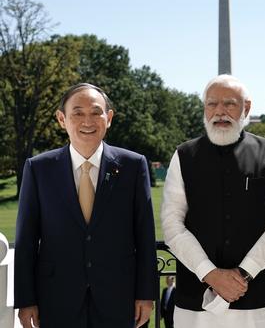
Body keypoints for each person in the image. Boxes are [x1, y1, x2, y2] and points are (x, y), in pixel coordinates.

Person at [14, 83, 158, 328]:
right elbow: (26, 238)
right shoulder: (38, 168)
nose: (87, 121)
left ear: (108, 117)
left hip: (119, 298)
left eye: (96, 112)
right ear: (62, 119)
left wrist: (146, 294)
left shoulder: (133, 166)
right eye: (77, 113)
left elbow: (144, 235)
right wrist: (26, 300)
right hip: (56, 298)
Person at [160, 75, 265, 328]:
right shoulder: (183, 156)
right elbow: (172, 224)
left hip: (262, 298)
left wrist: (244, 273)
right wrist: (209, 274)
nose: (219, 112)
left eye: (229, 104)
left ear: (247, 107)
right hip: (196, 300)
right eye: (212, 104)